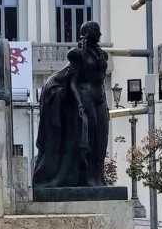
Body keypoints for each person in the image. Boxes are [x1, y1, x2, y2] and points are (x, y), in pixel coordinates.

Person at [33, 21, 109, 189]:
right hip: (84, 97)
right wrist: (80, 105)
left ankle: (97, 178)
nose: (100, 34)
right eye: (97, 30)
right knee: (85, 139)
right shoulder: (78, 54)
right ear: (90, 33)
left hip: (99, 99)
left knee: (100, 138)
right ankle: (83, 178)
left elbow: (99, 79)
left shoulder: (101, 54)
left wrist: (102, 66)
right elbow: (72, 81)